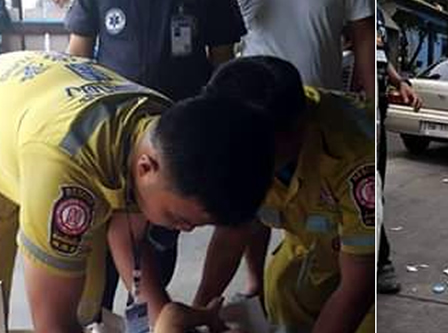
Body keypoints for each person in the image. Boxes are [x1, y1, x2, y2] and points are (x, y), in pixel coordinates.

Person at [0, 51, 275, 332]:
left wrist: (165, 322)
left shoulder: (161, 128)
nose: (186, 230)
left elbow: (125, 235)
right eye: (180, 218)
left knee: (87, 303)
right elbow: (52, 324)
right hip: (17, 118)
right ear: (146, 168)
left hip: (39, 100)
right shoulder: (64, 175)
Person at [65, 0, 247, 314]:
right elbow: (78, 54)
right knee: (99, 251)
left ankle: (148, 318)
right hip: (109, 140)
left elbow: (222, 60)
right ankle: (96, 320)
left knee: (162, 238)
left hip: (178, 146)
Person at [193, 56, 375, 333]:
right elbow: (230, 237)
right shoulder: (234, 139)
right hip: (307, 248)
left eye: (253, 156)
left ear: (295, 131)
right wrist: (198, 315)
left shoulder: (358, 160)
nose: (239, 169)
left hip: (363, 264)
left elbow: (357, 288)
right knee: (282, 289)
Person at [65, 0, 245, 101]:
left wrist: (220, 109)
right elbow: (79, 53)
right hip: (115, 112)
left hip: (184, 112)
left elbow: (222, 56)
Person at [228, 0, 375, 98]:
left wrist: (371, 103)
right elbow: (223, 51)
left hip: (323, 108)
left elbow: (364, 36)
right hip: (257, 108)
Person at [375, 7, 422, 294]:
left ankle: (379, 262)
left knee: (374, 191)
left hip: (376, 112)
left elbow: (380, 58)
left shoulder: (377, 12)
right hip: (351, 108)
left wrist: (400, 82)